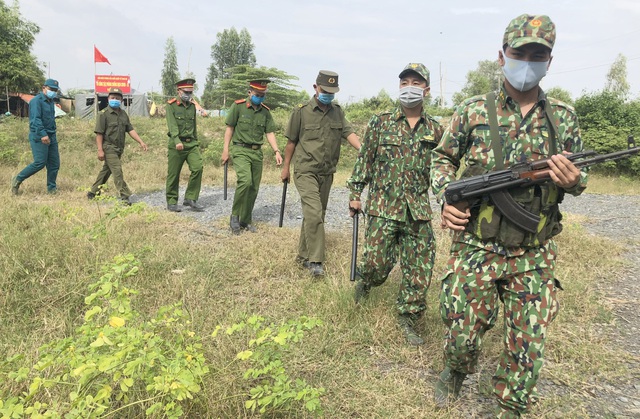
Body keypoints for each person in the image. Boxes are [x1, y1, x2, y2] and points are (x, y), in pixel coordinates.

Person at [430, 14, 587, 418]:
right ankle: (456, 369)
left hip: (534, 250)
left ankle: (512, 404)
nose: (528, 62)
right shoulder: (472, 110)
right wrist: (445, 198)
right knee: (463, 331)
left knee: (528, 341)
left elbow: (579, 175)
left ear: (549, 62)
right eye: (520, 53)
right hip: (476, 246)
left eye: (539, 55)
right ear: (501, 56)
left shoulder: (563, 117)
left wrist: (573, 181)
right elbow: (442, 159)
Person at [346, 63, 443, 346]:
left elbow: (441, 169)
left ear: (425, 89)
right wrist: (355, 192)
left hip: (418, 210)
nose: (409, 87)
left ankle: (408, 317)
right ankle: (367, 282)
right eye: (404, 82)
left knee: (420, 267)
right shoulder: (381, 121)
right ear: (399, 87)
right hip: (382, 207)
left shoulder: (436, 130)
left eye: (415, 82)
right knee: (376, 265)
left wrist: (448, 200)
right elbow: (365, 159)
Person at [281, 70, 360, 277]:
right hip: (306, 170)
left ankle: (303, 255)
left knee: (316, 213)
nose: (328, 95)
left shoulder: (337, 112)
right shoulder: (301, 112)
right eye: (325, 90)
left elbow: (348, 133)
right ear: (315, 87)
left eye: (332, 92)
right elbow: (291, 143)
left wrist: (364, 149)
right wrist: (285, 168)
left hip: (326, 172)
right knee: (314, 212)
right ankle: (316, 261)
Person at [222, 79, 283, 234]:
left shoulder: (265, 112)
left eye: (263, 95)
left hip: (257, 152)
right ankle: (234, 216)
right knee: (245, 181)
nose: (260, 97)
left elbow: (269, 132)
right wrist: (225, 150)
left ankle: (245, 219)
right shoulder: (238, 106)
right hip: (240, 149)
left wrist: (276, 151)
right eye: (257, 94)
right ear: (249, 92)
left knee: (254, 187)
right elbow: (230, 128)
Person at [87, 87, 148, 205]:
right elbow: (99, 133)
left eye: (117, 98)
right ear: (108, 99)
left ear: (121, 100)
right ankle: (125, 196)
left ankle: (93, 192)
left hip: (119, 148)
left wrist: (141, 141)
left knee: (107, 170)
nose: (115, 100)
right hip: (108, 147)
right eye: (112, 98)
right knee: (117, 170)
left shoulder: (123, 114)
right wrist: (100, 150)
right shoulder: (103, 114)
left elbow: (130, 129)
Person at [11, 79, 61, 195]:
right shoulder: (36, 101)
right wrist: (43, 134)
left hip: (51, 135)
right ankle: (17, 179)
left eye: (55, 90)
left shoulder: (50, 101)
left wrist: (51, 133)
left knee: (54, 164)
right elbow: (35, 120)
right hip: (39, 135)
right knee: (40, 162)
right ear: (44, 88)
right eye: (51, 89)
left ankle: (52, 189)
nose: (53, 92)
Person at [165, 78, 204, 212]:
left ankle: (190, 198)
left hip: (191, 143)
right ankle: (171, 201)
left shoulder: (192, 106)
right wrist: (176, 141)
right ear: (179, 91)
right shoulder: (171, 105)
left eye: (190, 92)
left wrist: (196, 141)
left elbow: (194, 126)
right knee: (174, 174)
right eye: (186, 91)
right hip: (177, 144)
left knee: (198, 167)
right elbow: (172, 125)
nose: (188, 94)